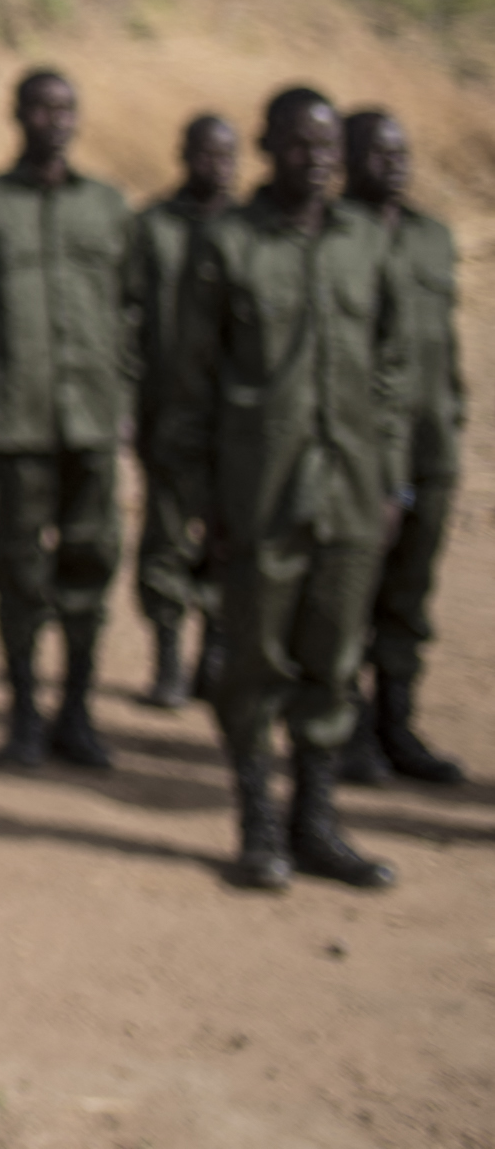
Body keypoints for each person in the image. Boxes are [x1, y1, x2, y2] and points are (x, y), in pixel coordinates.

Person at [171, 88, 406, 891]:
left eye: (329, 147)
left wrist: (387, 482)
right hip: (258, 499)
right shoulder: (226, 246)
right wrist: (202, 502)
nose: (318, 161)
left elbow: (387, 373)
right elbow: (189, 388)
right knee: (252, 668)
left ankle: (317, 822)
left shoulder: (362, 244)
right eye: (300, 146)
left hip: (348, 493)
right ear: (268, 149)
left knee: (332, 663)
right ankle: (257, 825)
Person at [0, 69, 136, 773]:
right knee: (19, 572)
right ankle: (23, 711)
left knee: (88, 567)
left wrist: (125, 400)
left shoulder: (106, 208)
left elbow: (131, 315)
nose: (52, 119)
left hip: (91, 419)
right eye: (39, 107)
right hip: (17, 419)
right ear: (16, 115)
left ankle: (77, 711)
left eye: (65, 107)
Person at [343, 110, 463, 787]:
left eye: (401, 152)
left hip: (431, 446)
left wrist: (454, 412)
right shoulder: (334, 237)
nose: (394, 164)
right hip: (361, 454)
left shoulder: (432, 238)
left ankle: (397, 724)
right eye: (377, 153)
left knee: (408, 598)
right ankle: (348, 732)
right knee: (348, 598)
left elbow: (440, 348)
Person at [128, 114, 237, 709]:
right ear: (183, 154)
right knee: (166, 539)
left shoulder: (253, 233)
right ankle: (167, 660)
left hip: (241, 423)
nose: (217, 165)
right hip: (167, 411)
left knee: (228, 539)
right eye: (206, 153)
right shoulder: (151, 228)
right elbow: (126, 319)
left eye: (228, 154)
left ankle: (214, 655)